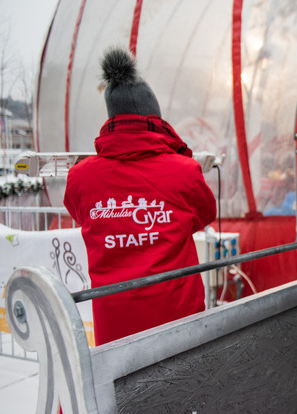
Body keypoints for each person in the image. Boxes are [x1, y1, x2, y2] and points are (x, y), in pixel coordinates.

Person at [63, 46, 217, 345]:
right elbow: (205, 214)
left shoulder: (80, 177)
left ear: (112, 117)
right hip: (178, 321)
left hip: (115, 328)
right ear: (155, 117)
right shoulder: (184, 171)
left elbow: (80, 215)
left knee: (122, 390)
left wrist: (122, 227)